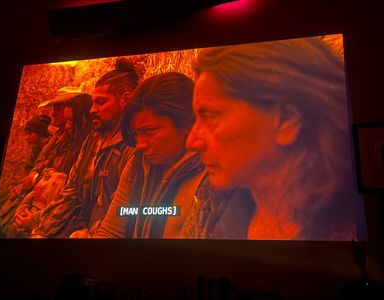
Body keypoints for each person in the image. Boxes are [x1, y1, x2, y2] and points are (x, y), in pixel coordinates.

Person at [185, 36, 366, 240]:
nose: (191, 142)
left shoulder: (355, 229)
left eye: (210, 117)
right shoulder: (210, 208)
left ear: (287, 120)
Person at [93, 72, 253, 239]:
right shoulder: (138, 165)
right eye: (136, 134)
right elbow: (112, 231)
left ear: (186, 124)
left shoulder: (216, 176)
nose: (140, 145)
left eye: (149, 131)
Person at [31, 59, 141, 238]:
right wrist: (41, 229)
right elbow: (71, 191)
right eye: (92, 103)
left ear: (125, 100)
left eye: (100, 102)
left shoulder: (134, 146)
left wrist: (91, 235)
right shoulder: (93, 140)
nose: (92, 110)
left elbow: (125, 216)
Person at [10, 92, 93, 237]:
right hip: (43, 202)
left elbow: (68, 194)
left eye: (58, 108)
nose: (54, 113)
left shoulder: (86, 147)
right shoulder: (60, 138)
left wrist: (35, 220)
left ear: (84, 118)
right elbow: (42, 169)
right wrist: (25, 204)